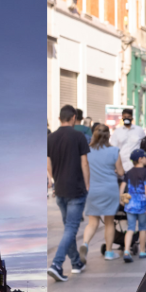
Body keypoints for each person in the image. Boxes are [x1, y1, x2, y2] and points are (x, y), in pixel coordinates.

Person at [47, 104, 90, 282]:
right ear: (73, 117)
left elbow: (48, 164)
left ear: (59, 118)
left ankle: (75, 263)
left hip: (60, 189)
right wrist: (87, 184)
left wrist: (54, 181)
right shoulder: (79, 136)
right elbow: (84, 163)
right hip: (76, 189)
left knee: (69, 229)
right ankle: (57, 263)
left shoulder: (50, 138)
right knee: (71, 228)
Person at [81, 125, 124, 261]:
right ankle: (109, 252)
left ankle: (85, 244)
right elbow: (121, 172)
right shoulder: (114, 151)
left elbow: (85, 169)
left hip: (93, 189)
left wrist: (87, 184)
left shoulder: (87, 151)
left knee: (92, 222)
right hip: (110, 189)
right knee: (109, 222)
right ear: (108, 136)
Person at [120, 149, 146, 263]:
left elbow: (123, 186)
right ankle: (143, 251)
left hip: (130, 205)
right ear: (140, 159)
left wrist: (122, 199)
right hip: (142, 205)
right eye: (145, 157)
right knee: (142, 228)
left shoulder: (129, 172)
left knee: (130, 228)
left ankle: (126, 251)